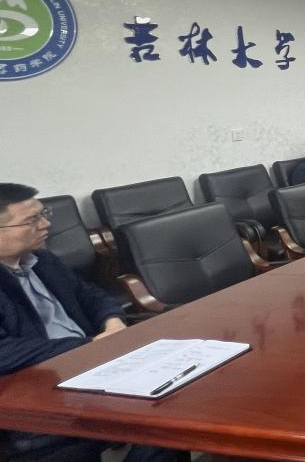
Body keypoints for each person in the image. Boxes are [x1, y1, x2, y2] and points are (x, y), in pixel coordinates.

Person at [1, 184, 188, 462]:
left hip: (94, 361)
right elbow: (5, 352)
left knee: (177, 404)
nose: (46, 224)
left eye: (44, 214)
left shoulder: (43, 260)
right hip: (37, 387)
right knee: (161, 421)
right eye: (32, 220)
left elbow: (91, 295)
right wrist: (88, 345)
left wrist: (113, 323)